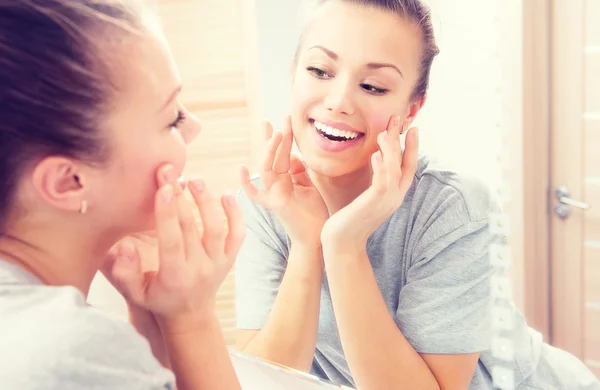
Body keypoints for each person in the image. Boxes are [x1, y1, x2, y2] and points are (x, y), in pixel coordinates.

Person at [234, 0, 600, 389]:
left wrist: (343, 247)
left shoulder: (452, 208)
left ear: (412, 108)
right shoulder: (269, 202)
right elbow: (263, 380)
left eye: (373, 86)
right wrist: (308, 246)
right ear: (294, 75)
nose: (338, 101)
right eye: (319, 70)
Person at [0, 1, 244, 389]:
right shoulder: (70, 350)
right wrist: (192, 317)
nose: (194, 127)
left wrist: (150, 316)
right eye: (172, 119)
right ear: (68, 181)